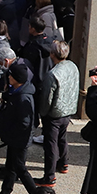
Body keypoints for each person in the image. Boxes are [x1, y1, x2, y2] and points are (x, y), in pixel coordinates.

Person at [0, 62, 39, 194]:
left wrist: (9, 130)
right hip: (15, 139)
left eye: (11, 75)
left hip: (20, 140)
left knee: (20, 168)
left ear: (17, 79)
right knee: (10, 166)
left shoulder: (23, 98)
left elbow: (25, 123)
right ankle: (5, 192)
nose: (8, 77)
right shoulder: (17, 92)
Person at [40, 40, 79, 185]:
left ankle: (49, 176)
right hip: (68, 110)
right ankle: (64, 163)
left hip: (55, 113)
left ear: (52, 54)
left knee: (50, 144)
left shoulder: (53, 74)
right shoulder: (73, 66)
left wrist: (42, 113)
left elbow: (47, 98)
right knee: (62, 138)